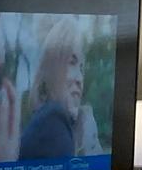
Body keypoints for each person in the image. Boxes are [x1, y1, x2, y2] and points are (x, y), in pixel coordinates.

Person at [18, 18, 101, 161]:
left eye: (81, 68)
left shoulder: (47, 119)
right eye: (72, 63)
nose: (80, 79)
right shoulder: (53, 120)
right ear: (52, 68)